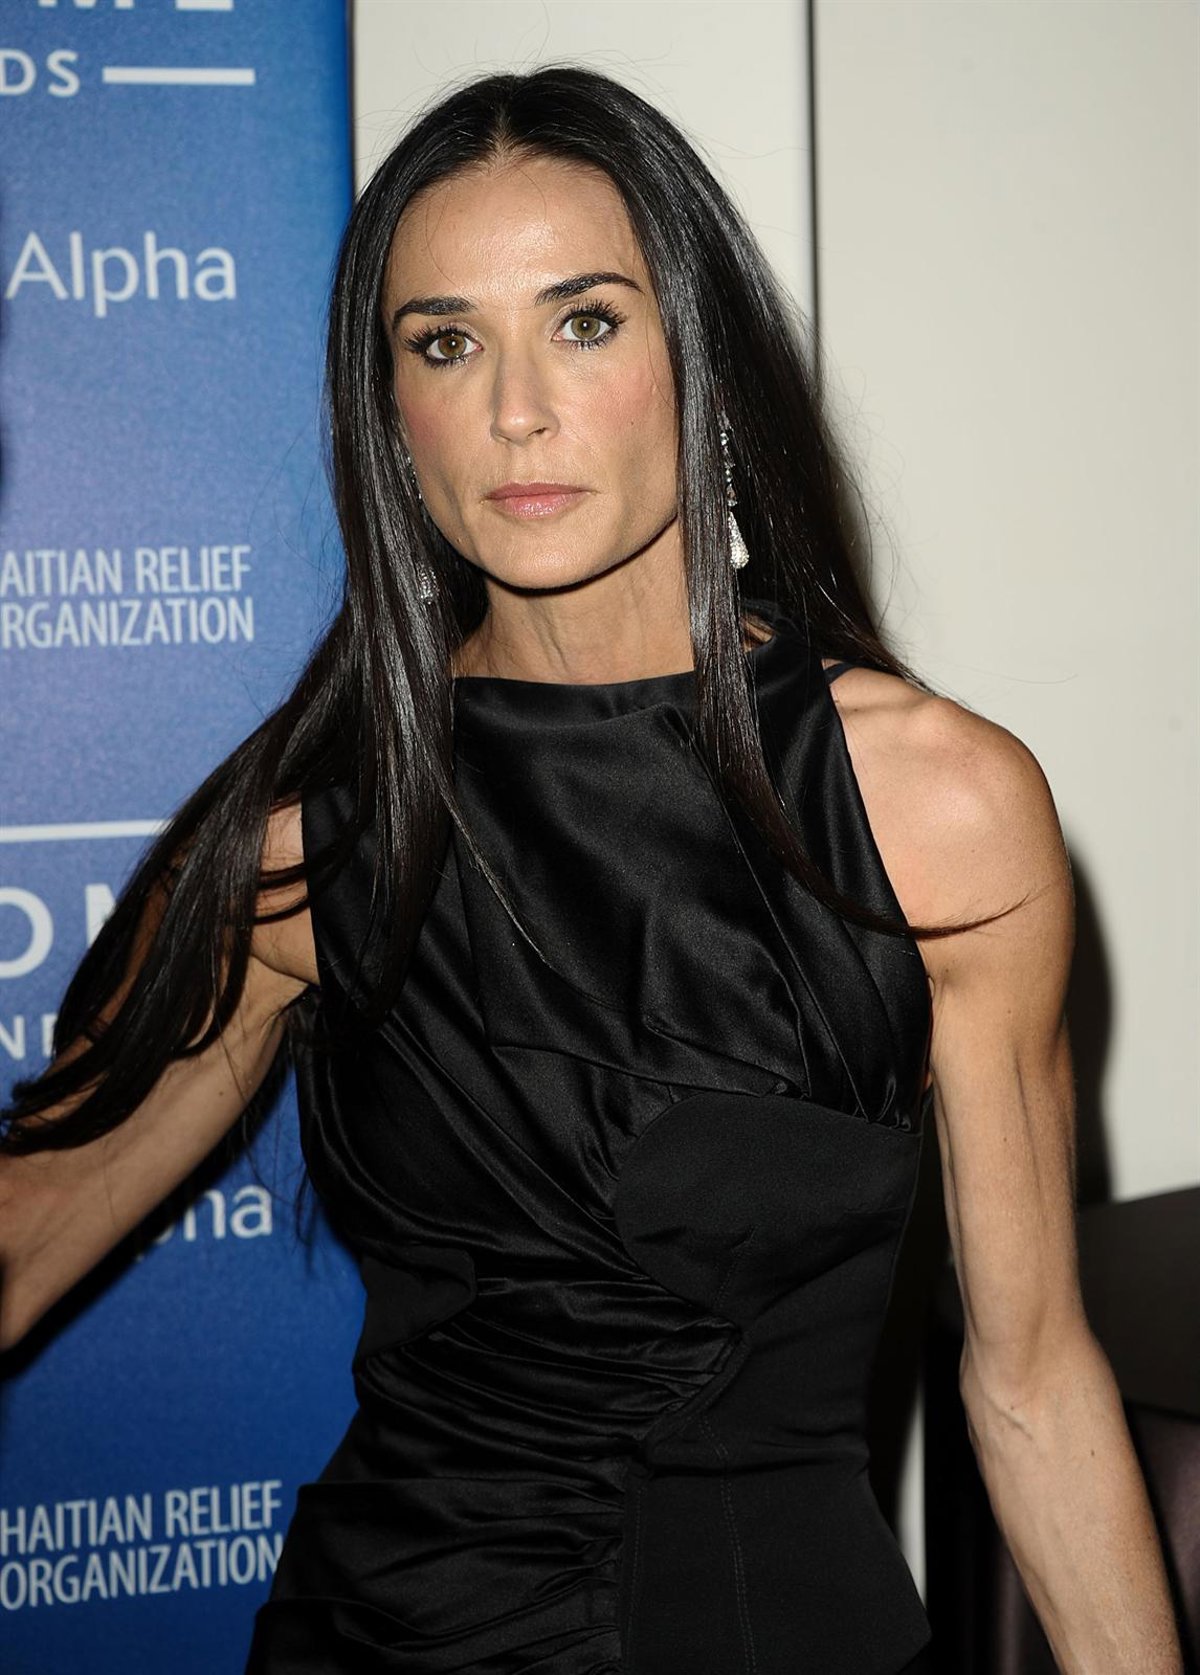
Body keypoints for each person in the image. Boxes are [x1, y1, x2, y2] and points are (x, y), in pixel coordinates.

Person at [0, 64, 1182, 1675]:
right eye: (446, 343)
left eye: (585, 322)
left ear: (701, 356)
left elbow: (1031, 1382)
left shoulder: (936, 812)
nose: (516, 411)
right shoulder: (310, 841)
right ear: (389, 412)